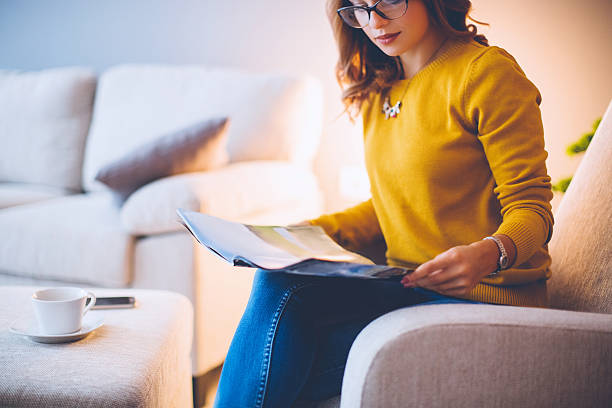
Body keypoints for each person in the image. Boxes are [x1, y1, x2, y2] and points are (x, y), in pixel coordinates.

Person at [214, 0, 554, 406]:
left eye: (388, 0)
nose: (373, 21)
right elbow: (393, 204)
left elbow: (532, 208)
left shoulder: (484, 73)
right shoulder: (379, 91)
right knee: (279, 302)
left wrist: (488, 253)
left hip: (485, 298)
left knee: (278, 333)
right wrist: (299, 236)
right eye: (357, 8)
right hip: (408, 286)